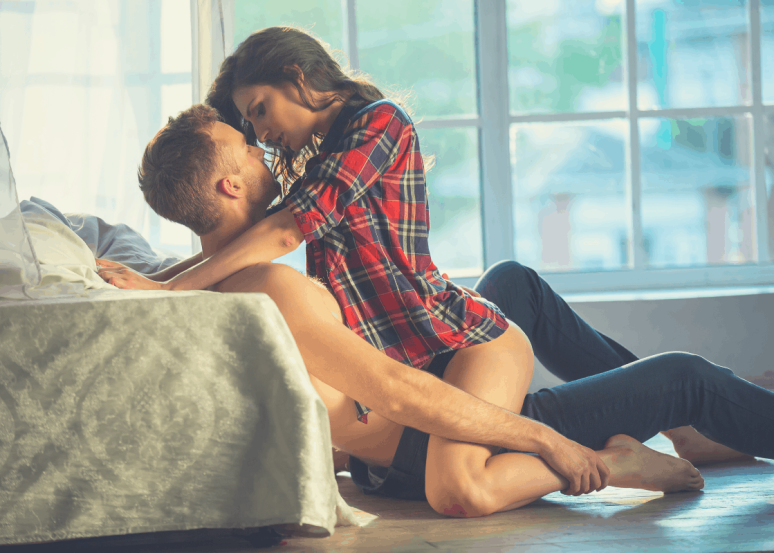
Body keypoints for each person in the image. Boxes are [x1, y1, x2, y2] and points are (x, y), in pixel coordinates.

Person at [98, 102, 774, 518]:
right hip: (444, 435)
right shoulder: (270, 291)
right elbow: (398, 390)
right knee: (683, 374)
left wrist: (160, 278)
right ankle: (648, 433)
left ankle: (680, 428)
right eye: (245, 145)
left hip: (418, 422)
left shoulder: (198, 285)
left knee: (513, 283)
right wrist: (549, 442)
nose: (259, 143)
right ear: (231, 182)